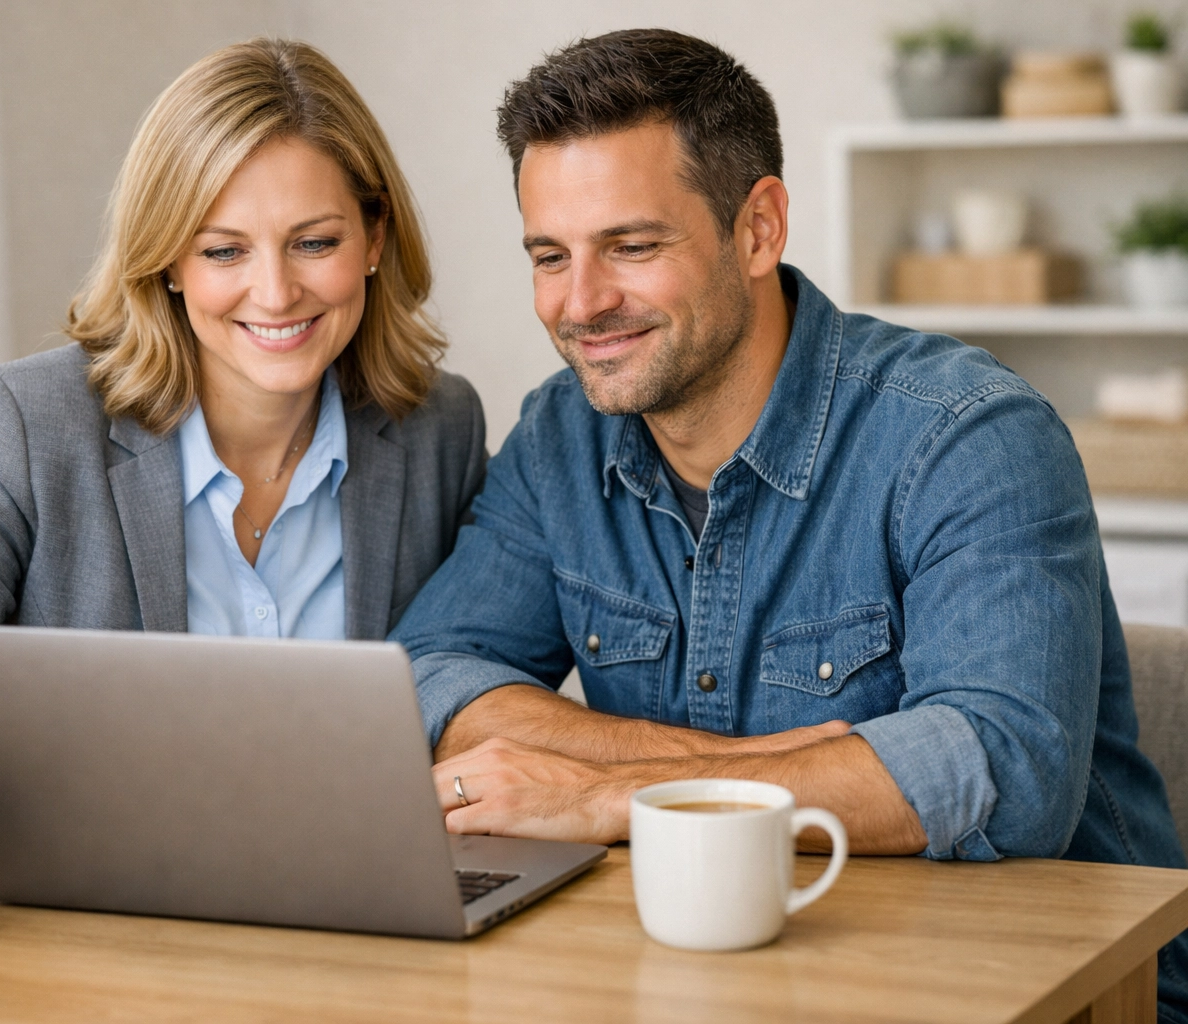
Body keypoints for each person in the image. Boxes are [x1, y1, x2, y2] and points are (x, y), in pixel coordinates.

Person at [389, 28, 1188, 1017]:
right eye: (550, 255)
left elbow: (1005, 770)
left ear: (759, 229)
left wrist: (600, 793)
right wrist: (762, 770)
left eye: (632, 246)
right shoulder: (560, 436)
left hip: (1056, 990)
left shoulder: (969, 435)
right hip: (715, 978)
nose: (580, 303)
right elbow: (433, 676)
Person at [0, 38, 486, 797]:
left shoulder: (438, 429)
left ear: (375, 239)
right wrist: (141, 748)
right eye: (224, 252)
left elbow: (470, 678)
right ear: (168, 261)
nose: (276, 292)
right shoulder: (22, 428)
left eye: (314, 243)